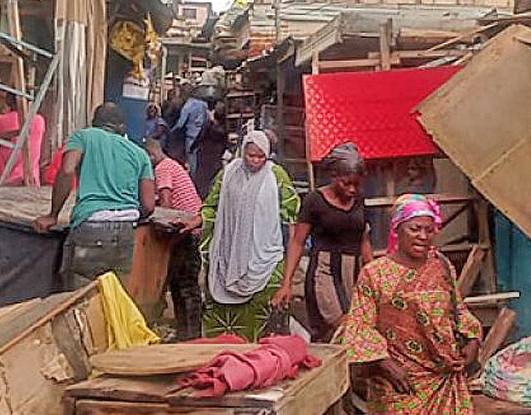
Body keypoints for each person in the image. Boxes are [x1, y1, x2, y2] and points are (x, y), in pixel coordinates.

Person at [332, 194, 482, 415]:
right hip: (400, 384)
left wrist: (472, 341)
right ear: (397, 229)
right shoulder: (375, 274)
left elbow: (457, 309)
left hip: (445, 379)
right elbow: (360, 325)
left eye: (429, 230)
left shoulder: (441, 265)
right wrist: (385, 365)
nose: (423, 236)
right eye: (415, 229)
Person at [180, 130, 300, 341]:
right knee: (219, 318)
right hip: (226, 258)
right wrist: (198, 220)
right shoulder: (228, 174)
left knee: (262, 317)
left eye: (260, 156)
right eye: (250, 155)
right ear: (242, 151)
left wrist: (288, 276)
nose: (255, 161)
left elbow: (291, 217)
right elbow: (212, 206)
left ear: (268, 155)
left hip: (264, 260)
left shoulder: (276, 177)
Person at [33, 103, 155, 289]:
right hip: (125, 233)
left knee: (77, 299)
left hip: (91, 226)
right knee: (114, 299)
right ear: (121, 128)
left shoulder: (82, 137)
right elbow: (148, 205)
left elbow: (66, 171)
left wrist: (53, 215)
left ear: (94, 123)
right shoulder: (139, 153)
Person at [273, 142, 373, 342]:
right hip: (324, 273)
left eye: (357, 184)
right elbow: (298, 242)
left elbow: (364, 240)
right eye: (347, 183)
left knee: (355, 328)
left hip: (353, 274)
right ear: (333, 176)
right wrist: (287, 283)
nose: (352, 189)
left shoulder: (359, 200)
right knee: (344, 328)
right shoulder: (314, 201)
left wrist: (372, 275)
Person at [144, 139, 203, 341]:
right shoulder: (172, 165)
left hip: (185, 231)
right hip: (189, 229)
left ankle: (191, 334)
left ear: (151, 155)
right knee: (181, 285)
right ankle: (186, 333)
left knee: (185, 286)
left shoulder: (162, 169)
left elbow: (167, 204)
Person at [0, 92, 45, 186]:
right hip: (31, 181)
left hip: (5, 182)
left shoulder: (0, 121)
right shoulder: (39, 120)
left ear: (7, 102)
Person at [193, 101, 227, 199]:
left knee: (203, 179)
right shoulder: (223, 129)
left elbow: (200, 137)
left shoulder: (209, 127)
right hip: (215, 156)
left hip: (205, 155)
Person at [171, 90, 208, 177]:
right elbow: (207, 119)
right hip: (200, 133)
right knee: (194, 155)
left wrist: (172, 130)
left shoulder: (188, 105)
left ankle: (190, 177)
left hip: (191, 134)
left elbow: (181, 122)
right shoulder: (203, 104)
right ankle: (193, 176)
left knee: (191, 157)